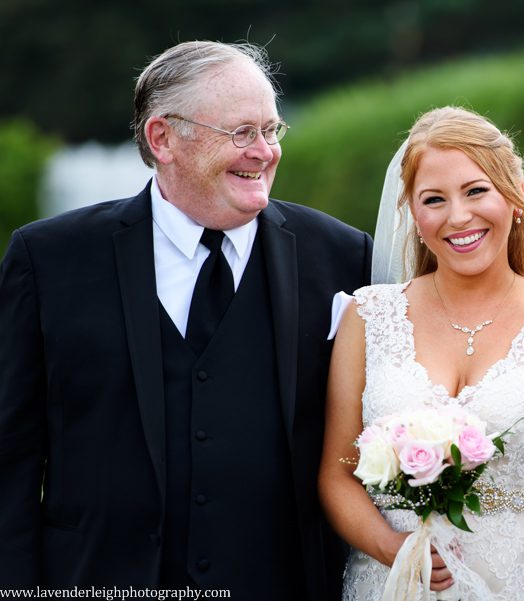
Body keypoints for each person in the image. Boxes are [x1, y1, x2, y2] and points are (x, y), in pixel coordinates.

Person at [0, 41, 372, 599]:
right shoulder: (48, 259)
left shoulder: (342, 255)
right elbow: (11, 456)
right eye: (242, 132)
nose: (265, 152)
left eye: (272, 131)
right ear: (163, 138)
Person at [319, 106, 524, 600]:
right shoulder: (368, 316)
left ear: (515, 196)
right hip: (396, 584)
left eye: (476, 190)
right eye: (434, 199)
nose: (458, 216)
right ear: (413, 215)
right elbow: (338, 470)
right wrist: (393, 548)